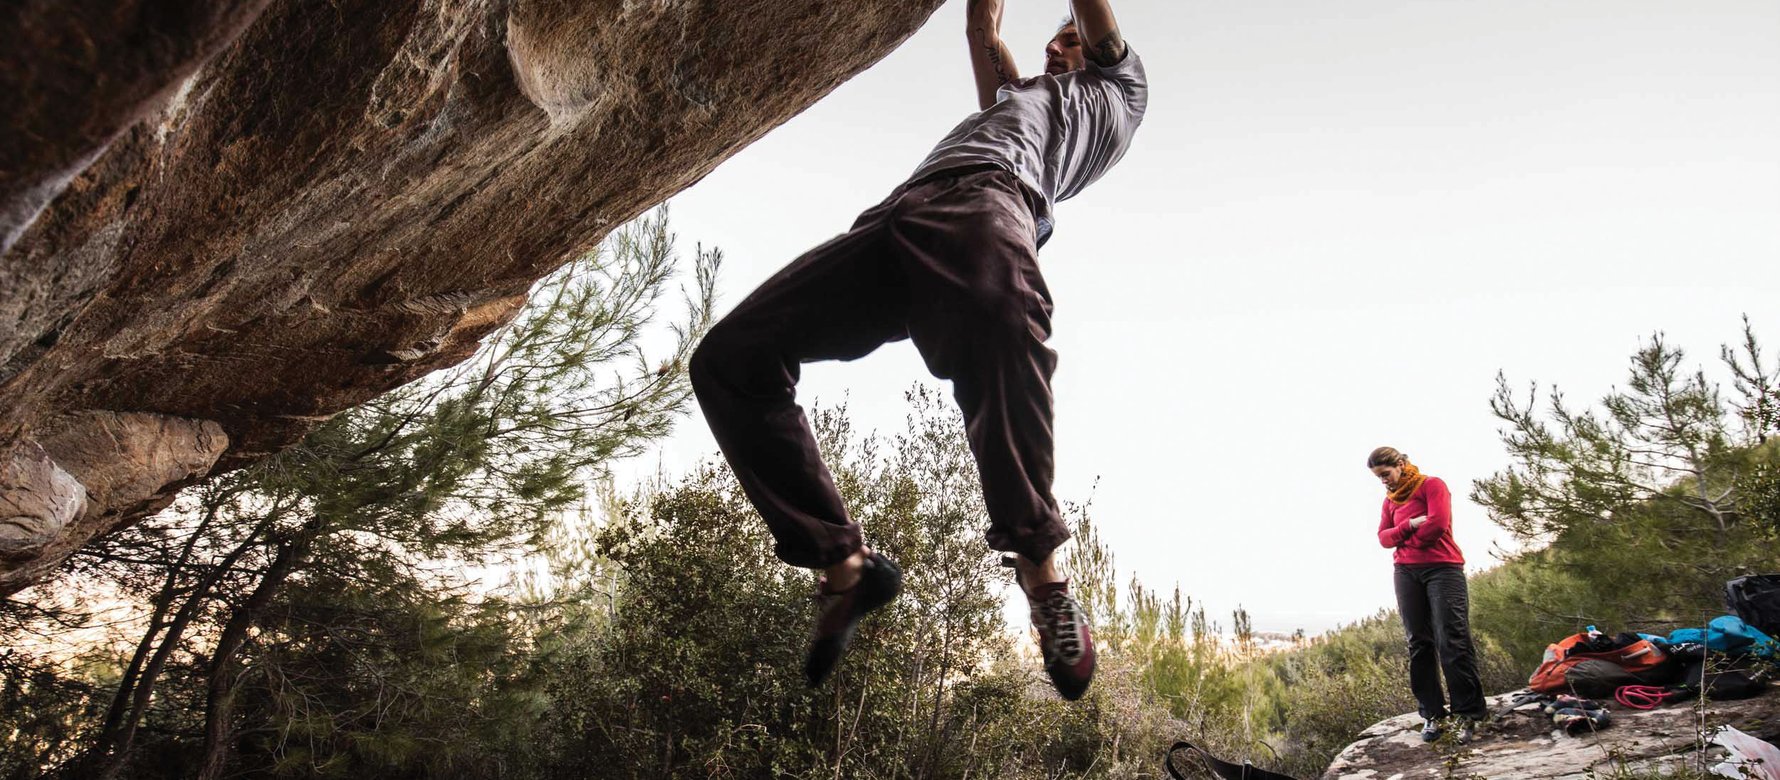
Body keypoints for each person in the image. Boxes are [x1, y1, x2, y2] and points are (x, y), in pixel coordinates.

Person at [688, 0, 1147, 701]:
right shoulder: (1014, 99)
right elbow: (981, 32)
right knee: (728, 358)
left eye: (1068, 43)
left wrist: (1073, 32)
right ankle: (844, 566)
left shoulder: (1116, 92)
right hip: (896, 218)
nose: (1056, 53)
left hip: (990, 204)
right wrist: (981, 22)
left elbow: (1095, 25)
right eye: (1051, 45)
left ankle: (1041, 567)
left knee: (1002, 320)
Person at [1368, 446, 1487, 743]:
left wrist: (1404, 539)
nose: (1384, 481)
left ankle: (1469, 714)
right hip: (1406, 573)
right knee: (1418, 643)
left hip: (1443, 569)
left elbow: (1436, 525)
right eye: (1378, 478)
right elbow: (1383, 538)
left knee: (1452, 639)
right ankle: (1432, 714)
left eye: (1386, 474)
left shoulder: (1432, 485)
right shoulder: (1390, 501)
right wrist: (1408, 525)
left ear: (1400, 464)